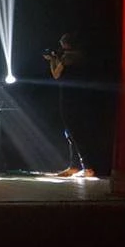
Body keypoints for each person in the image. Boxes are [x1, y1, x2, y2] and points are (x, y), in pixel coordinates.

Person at [44, 33, 94, 177]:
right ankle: (75, 166)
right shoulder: (79, 55)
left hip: (69, 97)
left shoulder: (68, 57)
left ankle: (87, 167)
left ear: (66, 43)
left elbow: (56, 74)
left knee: (74, 131)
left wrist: (52, 60)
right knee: (71, 132)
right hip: (78, 95)